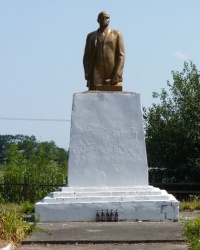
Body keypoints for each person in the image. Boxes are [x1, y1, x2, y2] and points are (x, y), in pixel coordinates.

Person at [83, 11, 125, 90]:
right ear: (98, 20)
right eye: (102, 18)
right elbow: (86, 56)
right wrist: (86, 71)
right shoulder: (91, 36)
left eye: (107, 18)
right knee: (94, 94)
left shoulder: (117, 34)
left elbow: (121, 56)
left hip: (111, 71)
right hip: (95, 71)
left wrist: (117, 74)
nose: (104, 20)